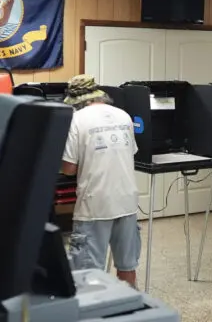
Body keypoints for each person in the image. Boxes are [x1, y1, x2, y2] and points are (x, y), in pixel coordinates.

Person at [61, 75, 140, 288]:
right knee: (127, 267)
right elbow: (130, 153)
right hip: (127, 202)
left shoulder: (76, 120)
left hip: (94, 206)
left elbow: (69, 168)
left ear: (77, 101)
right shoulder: (123, 115)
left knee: (89, 276)